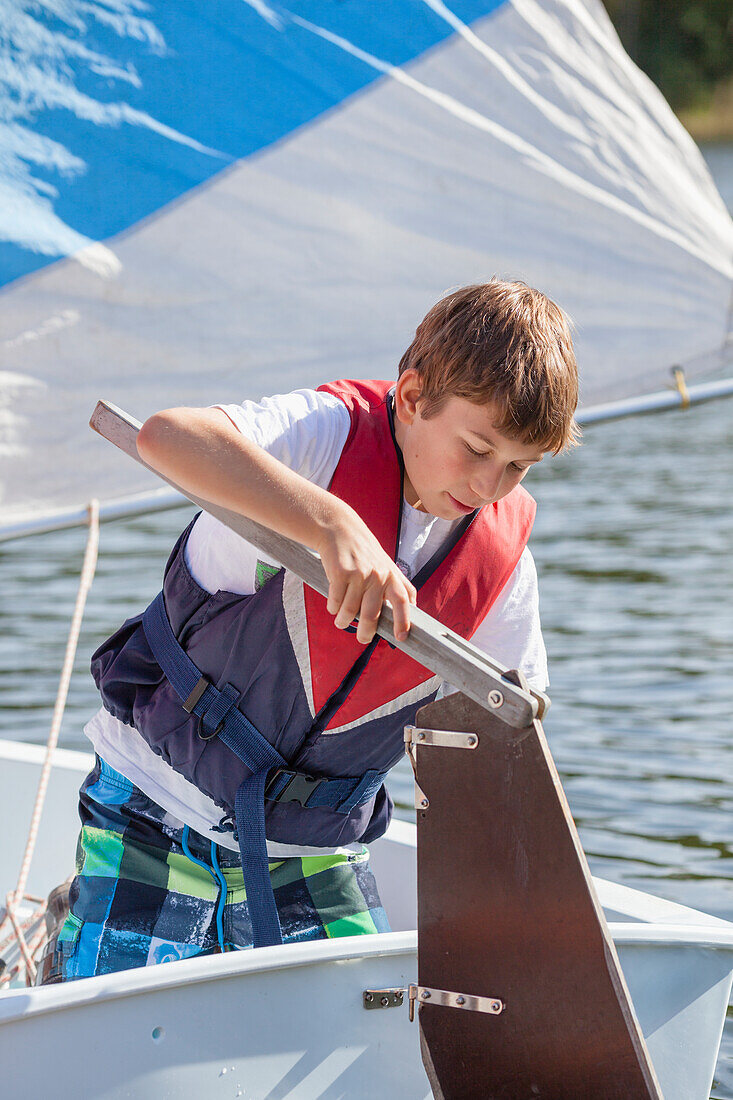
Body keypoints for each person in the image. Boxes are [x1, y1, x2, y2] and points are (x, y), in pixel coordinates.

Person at [51, 279, 578, 982]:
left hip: (313, 853)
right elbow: (166, 435)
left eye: (517, 466)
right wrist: (331, 524)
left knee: (365, 1044)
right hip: (155, 808)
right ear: (414, 397)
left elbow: (506, 738)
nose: (489, 486)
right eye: (477, 448)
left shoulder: (503, 562)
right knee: (107, 1045)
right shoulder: (323, 436)